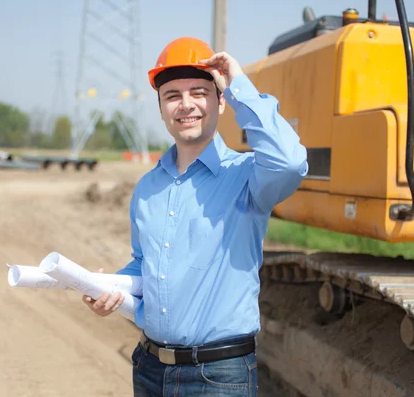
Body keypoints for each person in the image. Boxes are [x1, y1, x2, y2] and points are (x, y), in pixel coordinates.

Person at [83, 36, 308, 396]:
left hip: (219, 376)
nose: (186, 105)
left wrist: (238, 84)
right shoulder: (147, 189)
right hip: (149, 369)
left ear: (220, 100)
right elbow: (146, 267)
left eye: (199, 92)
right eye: (172, 95)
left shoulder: (247, 176)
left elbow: (291, 160)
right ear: (160, 109)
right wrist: (108, 287)